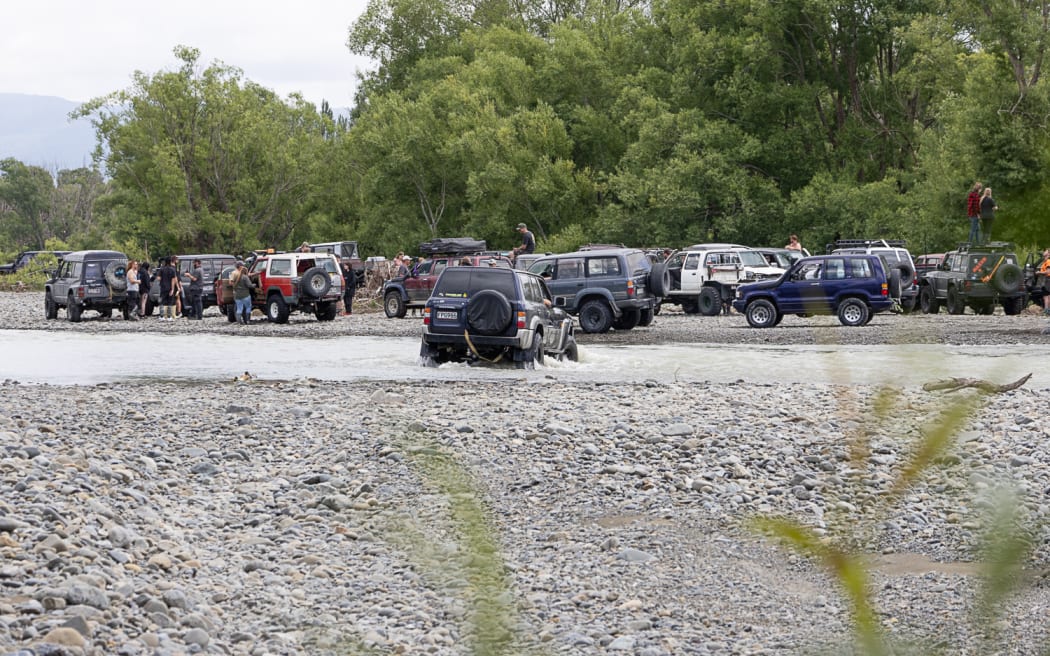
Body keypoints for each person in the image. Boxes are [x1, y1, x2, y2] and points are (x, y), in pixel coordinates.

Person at [230, 261, 255, 325]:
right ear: (240, 267)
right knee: (248, 307)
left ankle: (239, 322)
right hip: (245, 295)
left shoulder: (234, 273)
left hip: (237, 295)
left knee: (239, 308)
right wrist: (254, 285)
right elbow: (249, 285)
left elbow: (231, 283)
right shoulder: (245, 277)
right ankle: (248, 321)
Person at [155, 257, 178, 321]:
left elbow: (158, 278)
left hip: (163, 287)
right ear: (170, 262)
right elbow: (173, 280)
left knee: (162, 302)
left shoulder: (162, 269)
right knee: (170, 302)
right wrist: (173, 289)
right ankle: (169, 317)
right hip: (170, 287)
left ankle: (162, 316)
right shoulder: (172, 270)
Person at [1039, 249, 1050, 315]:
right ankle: (1047, 309)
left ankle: (1047, 310)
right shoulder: (1045, 262)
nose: (1044, 252)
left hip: (1048, 279)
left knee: (1047, 296)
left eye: (1046, 251)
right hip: (1046, 279)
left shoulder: (1048, 261)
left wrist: (1039, 272)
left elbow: (1048, 272)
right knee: (1046, 296)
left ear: (1048, 254)